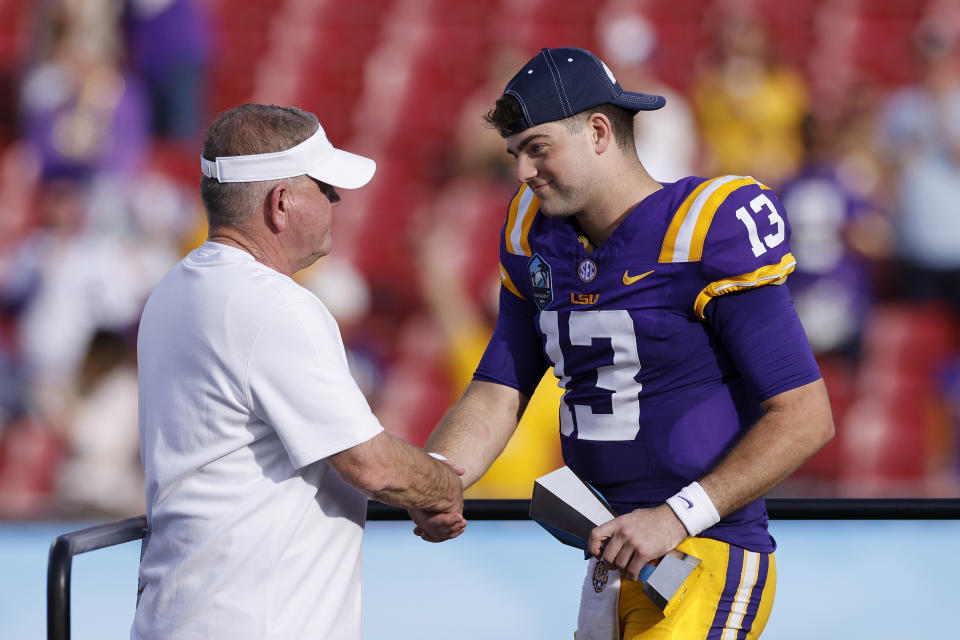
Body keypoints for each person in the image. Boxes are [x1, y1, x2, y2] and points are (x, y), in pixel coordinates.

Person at [412, 47, 834, 639]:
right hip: (611, 561)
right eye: (515, 155)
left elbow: (805, 415)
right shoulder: (534, 236)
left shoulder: (704, 227)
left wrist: (676, 516)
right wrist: (437, 476)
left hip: (704, 554)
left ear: (599, 132)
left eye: (537, 149)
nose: (523, 172)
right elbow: (497, 390)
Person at [133, 104, 465, 640]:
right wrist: (439, 488)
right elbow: (372, 465)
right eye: (326, 188)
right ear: (282, 203)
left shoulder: (172, 290)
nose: (336, 201)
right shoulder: (275, 305)